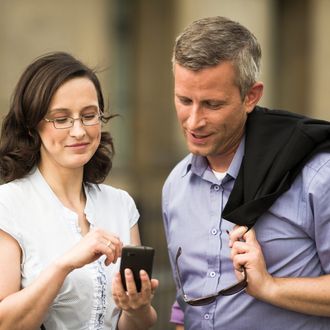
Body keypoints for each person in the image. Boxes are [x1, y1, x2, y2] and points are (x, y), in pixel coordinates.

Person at [162, 16, 330, 329]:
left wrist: (270, 287)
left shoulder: (318, 176)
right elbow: (186, 302)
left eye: (212, 104)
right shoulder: (175, 186)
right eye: (184, 100)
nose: (193, 121)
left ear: (251, 96)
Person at [0, 52, 158, 330]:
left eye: (89, 116)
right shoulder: (8, 205)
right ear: (32, 125)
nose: (79, 131)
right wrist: (65, 265)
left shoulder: (120, 204)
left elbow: (132, 324)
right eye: (61, 119)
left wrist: (137, 307)